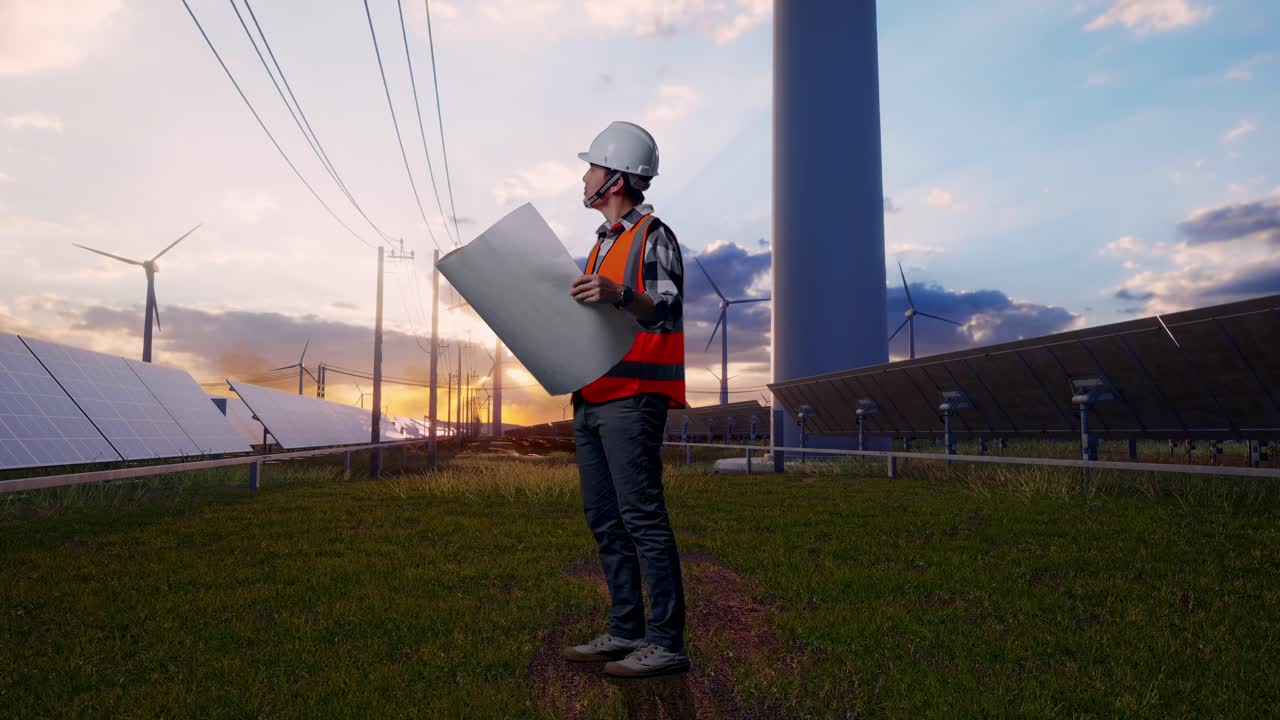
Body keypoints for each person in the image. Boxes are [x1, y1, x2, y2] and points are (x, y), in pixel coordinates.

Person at [561, 121, 690, 679]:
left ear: (614, 179)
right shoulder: (599, 246)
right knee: (604, 518)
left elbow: (665, 305)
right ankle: (624, 629)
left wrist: (621, 294)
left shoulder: (652, 234)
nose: (584, 175)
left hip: (633, 396)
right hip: (592, 395)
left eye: (591, 166)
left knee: (641, 518)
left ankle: (665, 642)